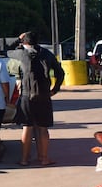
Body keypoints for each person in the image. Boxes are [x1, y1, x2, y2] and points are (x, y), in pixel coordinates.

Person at [7, 31, 65, 167]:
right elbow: (60, 73)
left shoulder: (20, 54)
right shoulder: (47, 54)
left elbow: (5, 50)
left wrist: (17, 39)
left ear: (24, 42)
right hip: (44, 95)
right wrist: (55, 89)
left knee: (27, 127)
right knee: (43, 128)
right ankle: (44, 158)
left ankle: (24, 159)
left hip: (27, 95)